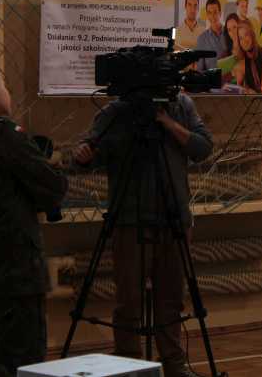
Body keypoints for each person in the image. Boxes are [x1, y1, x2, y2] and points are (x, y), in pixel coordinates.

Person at [73, 93, 213, 377]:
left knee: (172, 299)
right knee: (129, 300)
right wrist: (83, 154)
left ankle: (174, 364)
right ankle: (128, 365)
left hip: (174, 218)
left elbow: (203, 147)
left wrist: (168, 123)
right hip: (130, 219)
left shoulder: (180, 105)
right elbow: (84, 156)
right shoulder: (117, 111)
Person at [0, 60, 67, 377]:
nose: (8, 92)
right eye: (4, 85)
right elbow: (53, 187)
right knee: (22, 364)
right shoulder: (5, 135)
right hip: (15, 270)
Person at [195, 0, 229, 71]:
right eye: (209, 13)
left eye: (215, 12)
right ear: (207, 15)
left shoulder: (229, 33)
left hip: (229, 78)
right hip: (210, 78)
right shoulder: (202, 39)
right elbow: (200, 70)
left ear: (220, 13)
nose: (212, 16)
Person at [234, 21, 262, 94]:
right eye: (241, 38)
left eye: (246, 35)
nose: (244, 41)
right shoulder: (241, 63)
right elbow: (239, 89)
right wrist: (246, 90)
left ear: (252, 34)